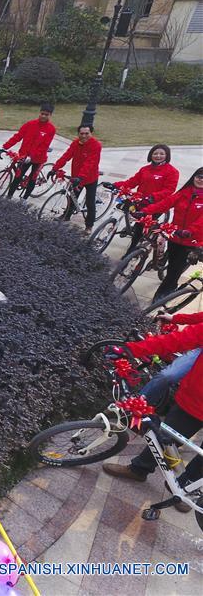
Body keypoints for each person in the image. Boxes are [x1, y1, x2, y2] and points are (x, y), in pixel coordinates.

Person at [103, 323, 203, 514]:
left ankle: (186, 488)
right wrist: (130, 350)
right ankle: (139, 469)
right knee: (164, 437)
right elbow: (176, 340)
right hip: (194, 399)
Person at [137, 167, 203, 300]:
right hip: (175, 235)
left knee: (174, 270)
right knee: (172, 259)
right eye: (199, 176)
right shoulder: (184, 192)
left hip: (192, 239)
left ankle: (164, 292)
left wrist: (190, 231)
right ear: (194, 177)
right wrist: (146, 211)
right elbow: (165, 203)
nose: (201, 179)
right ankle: (167, 263)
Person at [112, 144, 180, 253]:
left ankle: (131, 251)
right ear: (151, 155)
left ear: (167, 156)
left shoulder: (172, 172)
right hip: (141, 201)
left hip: (156, 205)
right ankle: (132, 228)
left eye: (162, 154)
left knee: (140, 227)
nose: (158, 156)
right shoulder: (145, 169)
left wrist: (152, 197)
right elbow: (132, 181)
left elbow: (169, 190)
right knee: (128, 210)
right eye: (155, 153)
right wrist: (116, 185)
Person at [51, 124, 103, 232]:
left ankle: (89, 226)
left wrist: (81, 177)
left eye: (86, 133)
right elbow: (66, 156)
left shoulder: (96, 145)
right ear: (78, 133)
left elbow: (90, 163)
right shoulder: (75, 143)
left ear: (91, 133)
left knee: (90, 202)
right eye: (81, 133)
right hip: (77, 177)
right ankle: (66, 216)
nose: (84, 136)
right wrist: (55, 168)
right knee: (72, 197)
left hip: (90, 178)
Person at [0, 103, 56, 200]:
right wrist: (5, 146)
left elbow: (44, 146)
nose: (43, 116)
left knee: (32, 178)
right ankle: (8, 197)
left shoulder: (51, 129)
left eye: (46, 114)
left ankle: (24, 199)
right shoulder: (30, 124)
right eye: (42, 113)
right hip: (24, 156)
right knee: (18, 177)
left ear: (50, 115)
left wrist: (32, 156)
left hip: (39, 158)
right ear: (39, 113)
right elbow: (18, 136)